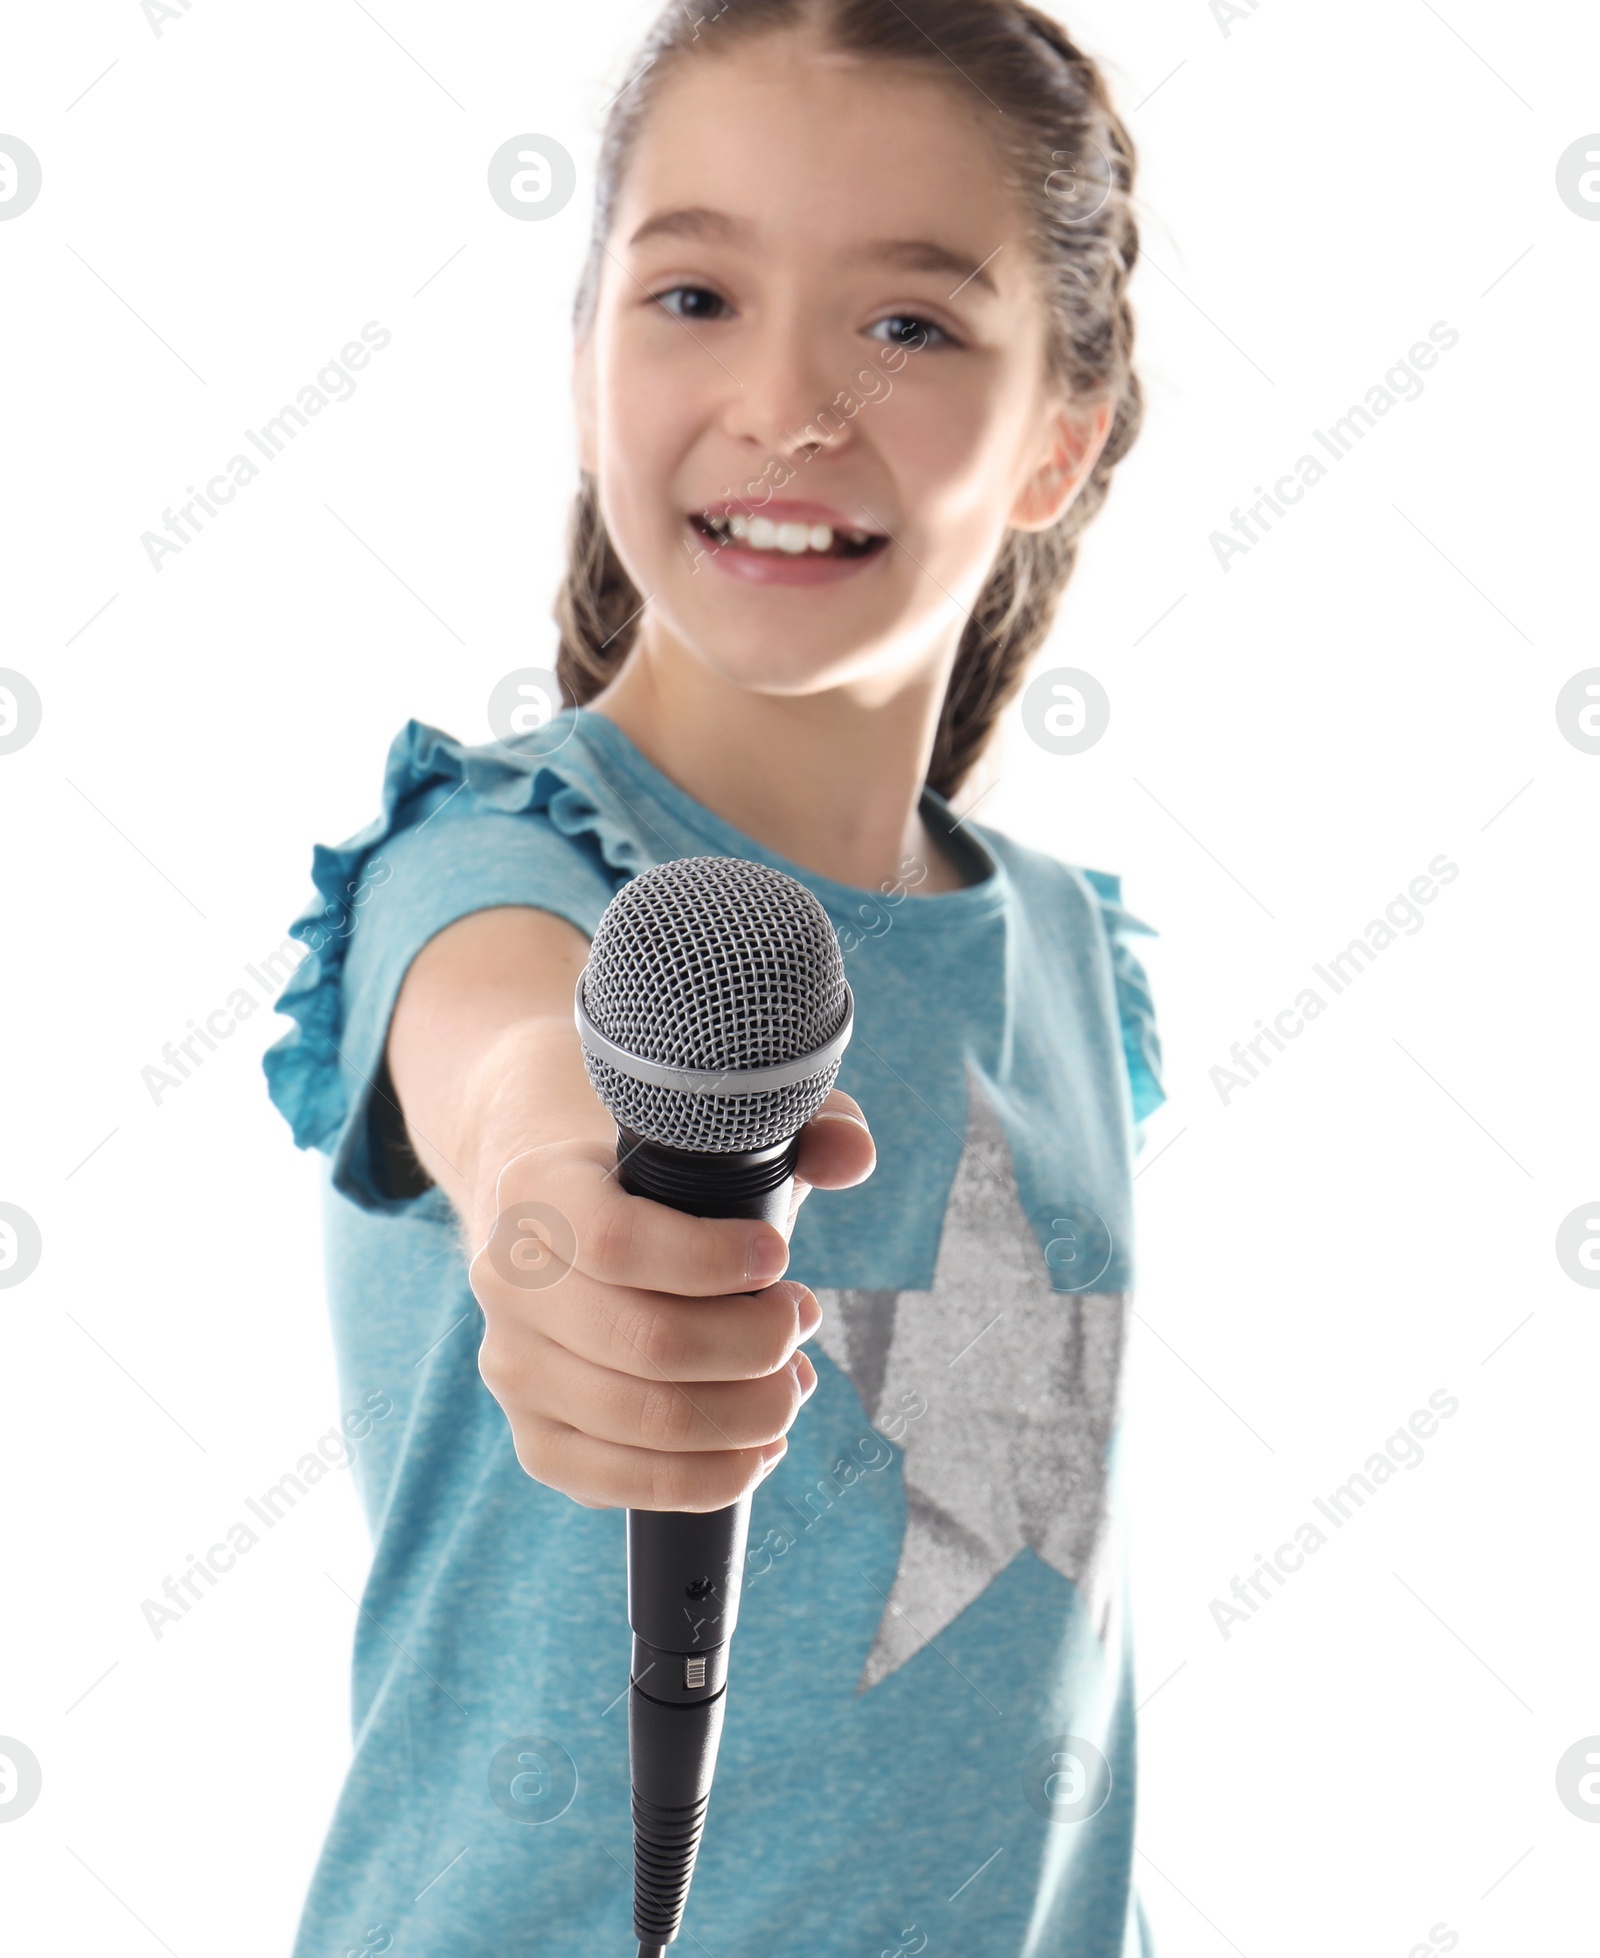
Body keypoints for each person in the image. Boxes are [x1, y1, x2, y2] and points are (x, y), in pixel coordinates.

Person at [262, 1, 1167, 1952]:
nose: (784, 403)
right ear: (587, 349)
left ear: (1057, 441)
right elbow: (509, 1057)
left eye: (906, 325)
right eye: (691, 297)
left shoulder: (1073, 957)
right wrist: (548, 1196)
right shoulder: (500, 862)